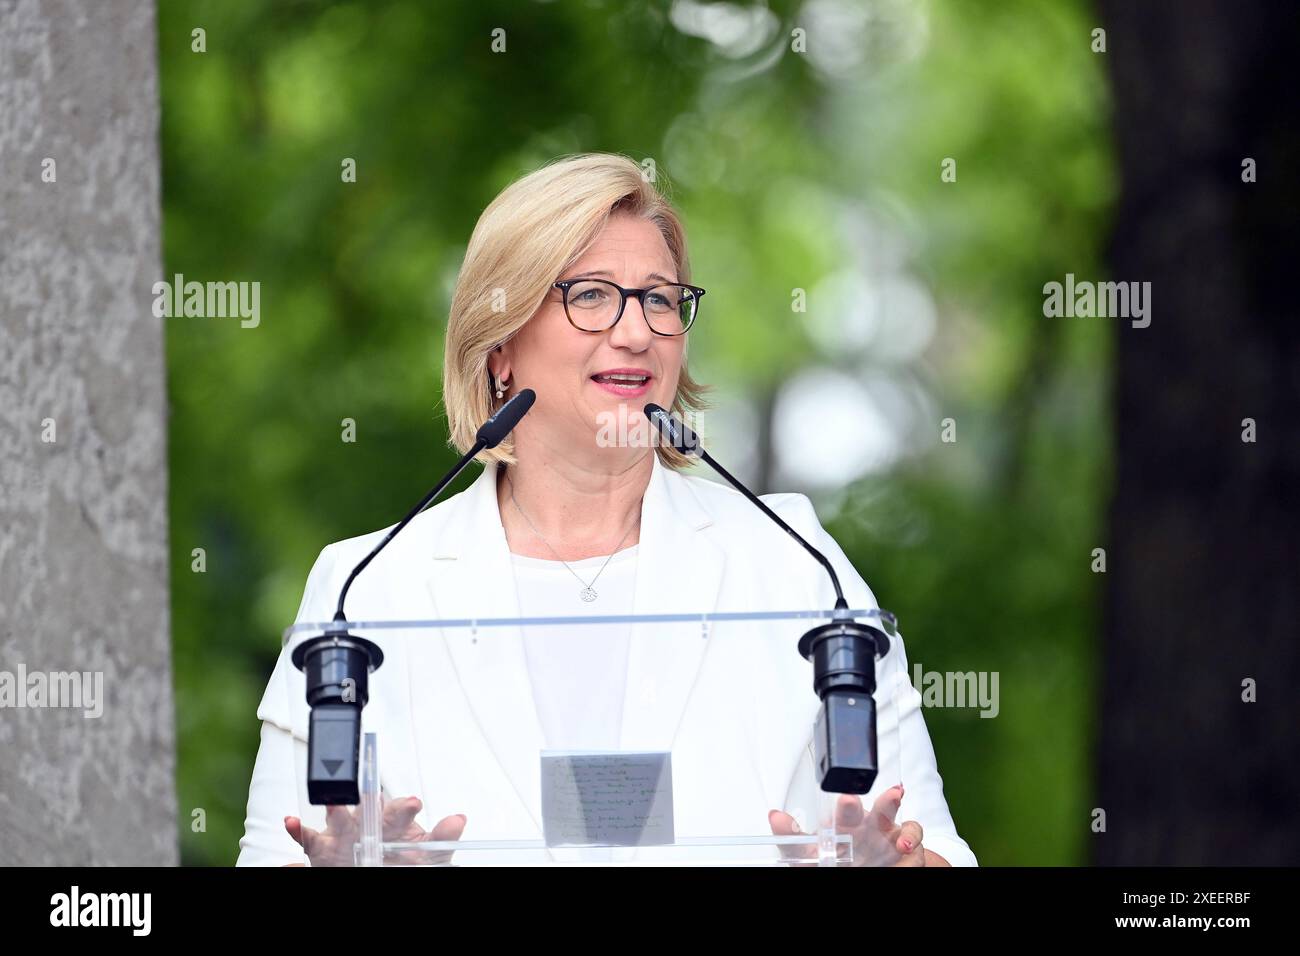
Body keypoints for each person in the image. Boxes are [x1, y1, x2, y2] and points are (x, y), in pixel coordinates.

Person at [236, 153, 976, 867]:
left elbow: (935, 849)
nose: (634, 330)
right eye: (590, 294)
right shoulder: (365, 586)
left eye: (659, 299)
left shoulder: (795, 564)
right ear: (500, 346)